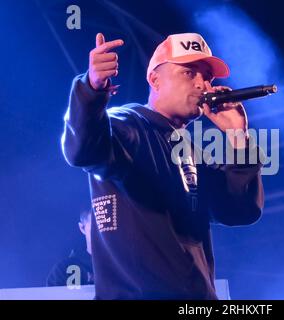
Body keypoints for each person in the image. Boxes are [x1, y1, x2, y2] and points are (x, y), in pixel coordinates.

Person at [61, 32, 264, 299]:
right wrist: (92, 89)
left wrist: (238, 136)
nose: (203, 84)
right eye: (189, 73)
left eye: (207, 76)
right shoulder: (126, 124)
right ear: (154, 79)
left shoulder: (190, 151)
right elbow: (82, 151)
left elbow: (239, 210)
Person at [47, 209, 94, 287]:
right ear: (82, 228)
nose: (102, 232)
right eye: (95, 227)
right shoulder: (63, 270)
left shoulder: (120, 265)